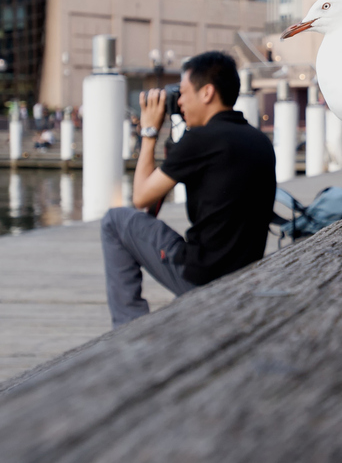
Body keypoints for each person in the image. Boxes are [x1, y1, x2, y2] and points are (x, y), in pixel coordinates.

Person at [100, 51, 277, 328]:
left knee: (114, 221)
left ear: (207, 92)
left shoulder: (202, 140)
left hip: (203, 276)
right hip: (244, 274)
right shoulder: (259, 140)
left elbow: (142, 197)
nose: (179, 102)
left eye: (182, 93)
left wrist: (148, 133)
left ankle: (127, 329)